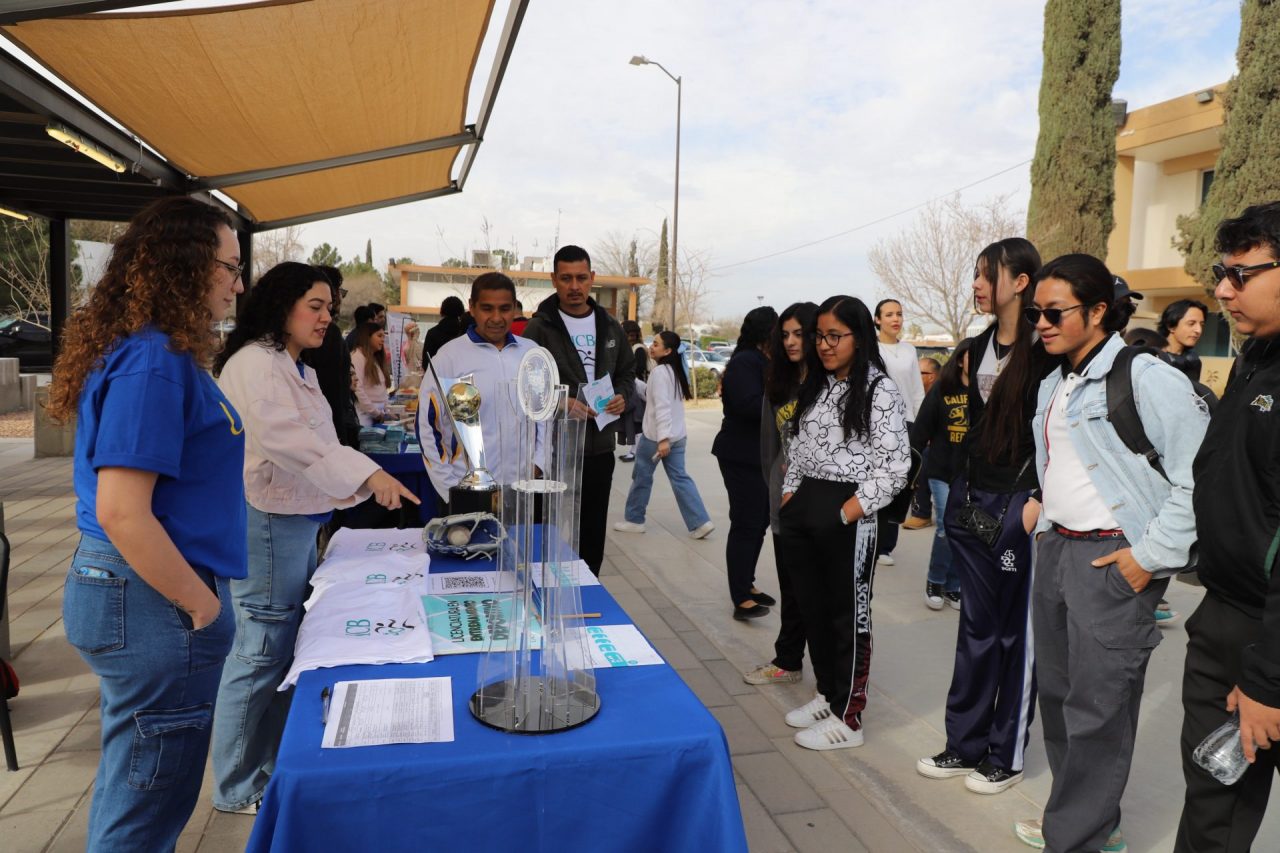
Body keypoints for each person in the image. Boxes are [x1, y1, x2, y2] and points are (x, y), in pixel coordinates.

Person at [48, 196, 245, 851]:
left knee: (138, 786)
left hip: (139, 594)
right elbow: (122, 509)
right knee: (146, 808)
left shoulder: (153, 351)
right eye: (229, 267)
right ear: (187, 264)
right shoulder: (154, 358)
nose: (237, 284)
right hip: (152, 597)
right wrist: (202, 606)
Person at [1011, 254, 1208, 853]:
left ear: (1098, 311)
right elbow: (1070, 462)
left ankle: (1078, 837)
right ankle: (1086, 818)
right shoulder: (1055, 381)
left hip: (1113, 557)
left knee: (1099, 709)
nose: (1041, 324)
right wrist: (1043, 506)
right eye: (1035, 313)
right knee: (1059, 699)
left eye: (1054, 312)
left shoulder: (1146, 377)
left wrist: (1149, 557)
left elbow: (1197, 476)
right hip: (1057, 551)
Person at [211, 262, 418, 815]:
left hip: (295, 520)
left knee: (281, 650)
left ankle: (268, 765)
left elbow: (317, 443)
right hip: (268, 522)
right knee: (260, 651)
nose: (327, 317)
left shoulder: (290, 363)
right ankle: (235, 785)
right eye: (315, 306)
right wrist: (369, 476)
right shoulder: (257, 364)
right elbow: (289, 442)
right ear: (282, 305)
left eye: (330, 307)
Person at [918, 237, 1051, 795]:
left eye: (984, 274)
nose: (975, 284)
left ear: (1019, 282)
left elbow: (1058, 435)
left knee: (1015, 635)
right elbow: (939, 422)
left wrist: (1037, 501)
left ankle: (1006, 754)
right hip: (972, 504)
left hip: (1021, 507)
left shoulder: (1047, 349)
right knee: (975, 628)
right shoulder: (973, 348)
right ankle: (964, 744)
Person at [1176, 201, 1280, 852]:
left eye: (1242, 274)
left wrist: (1269, 677)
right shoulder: (1253, 358)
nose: (1222, 290)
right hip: (1224, 619)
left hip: (1271, 635)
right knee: (1211, 804)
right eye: (1222, 273)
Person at [777, 295, 909, 750]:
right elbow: (798, 447)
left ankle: (848, 718)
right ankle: (827, 694)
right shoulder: (818, 383)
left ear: (859, 336)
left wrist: (847, 511)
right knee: (813, 608)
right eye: (820, 336)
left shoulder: (879, 389)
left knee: (847, 615)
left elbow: (896, 467)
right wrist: (791, 494)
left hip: (848, 510)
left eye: (835, 336)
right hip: (805, 506)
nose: (825, 345)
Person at [522, 245, 635, 576]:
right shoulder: (539, 328)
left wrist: (622, 396)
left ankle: (588, 591)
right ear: (553, 279)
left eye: (581, 278)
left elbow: (628, 372)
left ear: (592, 278)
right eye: (566, 278)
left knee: (592, 534)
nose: (574, 286)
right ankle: (546, 590)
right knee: (550, 530)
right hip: (553, 452)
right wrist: (560, 402)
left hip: (599, 448)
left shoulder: (610, 326)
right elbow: (524, 383)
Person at [743, 301, 819, 683]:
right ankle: (788, 661)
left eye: (799, 334)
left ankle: (832, 678)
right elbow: (769, 447)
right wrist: (777, 488)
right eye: (785, 334)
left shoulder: (830, 384)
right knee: (790, 587)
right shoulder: (779, 384)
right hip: (785, 501)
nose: (790, 342)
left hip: (821, 505)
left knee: (816, 590)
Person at [418, 272, 542, 502]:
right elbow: (428, 426)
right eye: (487, 308)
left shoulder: (531, 353)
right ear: (472, 308)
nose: (496, 318)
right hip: (468, 491)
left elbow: (544, 415)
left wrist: (539, 464)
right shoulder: (449, 358)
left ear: (514, 308)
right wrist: (450, 489)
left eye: (505, 309)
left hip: (523, 490)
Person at [710, 306, 779, 619]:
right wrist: (784, 402)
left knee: (759, 521)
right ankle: (740, 597)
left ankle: (747, 583)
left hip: (760, 456)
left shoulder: (762, 360)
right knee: (746, 523)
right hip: (740, 454)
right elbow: (747, 405)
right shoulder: (745, 362)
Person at [614, 330, 714, 539]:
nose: (651, 347)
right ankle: (700, 522)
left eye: (656, 344)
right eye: (653, 343)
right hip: (678, 436)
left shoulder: (660, 373)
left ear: (668, 351)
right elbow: (653, 397)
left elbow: (662, 407)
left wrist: (662, 440)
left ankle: (634, 520)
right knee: (680, 478)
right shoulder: (674, 371)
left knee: (641, 477)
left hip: (656, 438)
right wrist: (636, 383)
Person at [911, 338, 972, 611]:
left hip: (972, 475)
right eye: (971, 355)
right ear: (959, 359)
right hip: (942, 470)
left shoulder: (985, 392)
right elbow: (921, 428)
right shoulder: (942, 389)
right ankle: (935, 581)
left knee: (964, 530)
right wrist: (910, 465)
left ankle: (954, 586)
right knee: (947, 527)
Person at [872, 299, 925, 565]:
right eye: (889, 314)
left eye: (899, 314)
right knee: (875, 481)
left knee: (899, 485)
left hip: (905, 425)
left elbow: (917, 390)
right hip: (876, 424)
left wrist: (919, 426)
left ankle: (886, 546)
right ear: (877, 319)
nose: (896, 319)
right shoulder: (870, 349)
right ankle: (869, 540)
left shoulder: (909, 350)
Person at [302, 265, 361, 447]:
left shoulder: (328, 335)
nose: (325, 318)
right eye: (315, 306)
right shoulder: (327, 336)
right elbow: (331, 390)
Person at [903, 354, 944, 530]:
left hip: (943, 447)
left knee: (921, 457)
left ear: (931, 376)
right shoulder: (913, 395)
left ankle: (921, 513)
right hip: (922, 441)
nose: (913, 376)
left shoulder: (943, 393)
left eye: (918, 372)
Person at [617, 320, 649, 463]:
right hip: (634, 388)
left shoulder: (638, 349)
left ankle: (636, 452)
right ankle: (634, 451)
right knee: (634, 421)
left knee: (637, 421)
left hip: (638, 389)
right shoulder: (631, 347)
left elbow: (639, 369)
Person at [351, 322, 391, 426]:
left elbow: (382, 389)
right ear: (367, 337)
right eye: (379, 336)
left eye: (383, 336)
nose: (383, 340)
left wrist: (387, 410)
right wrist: (376, 413)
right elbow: (358, 389)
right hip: (366, 415)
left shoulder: (375, 357)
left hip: (379, 414)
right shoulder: (357, 356)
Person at [424, 295, 469, 362]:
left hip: (437, 368)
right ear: (461, 311)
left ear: (443, 310)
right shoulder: (465, 332)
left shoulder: (432, 333)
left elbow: (426, 362)